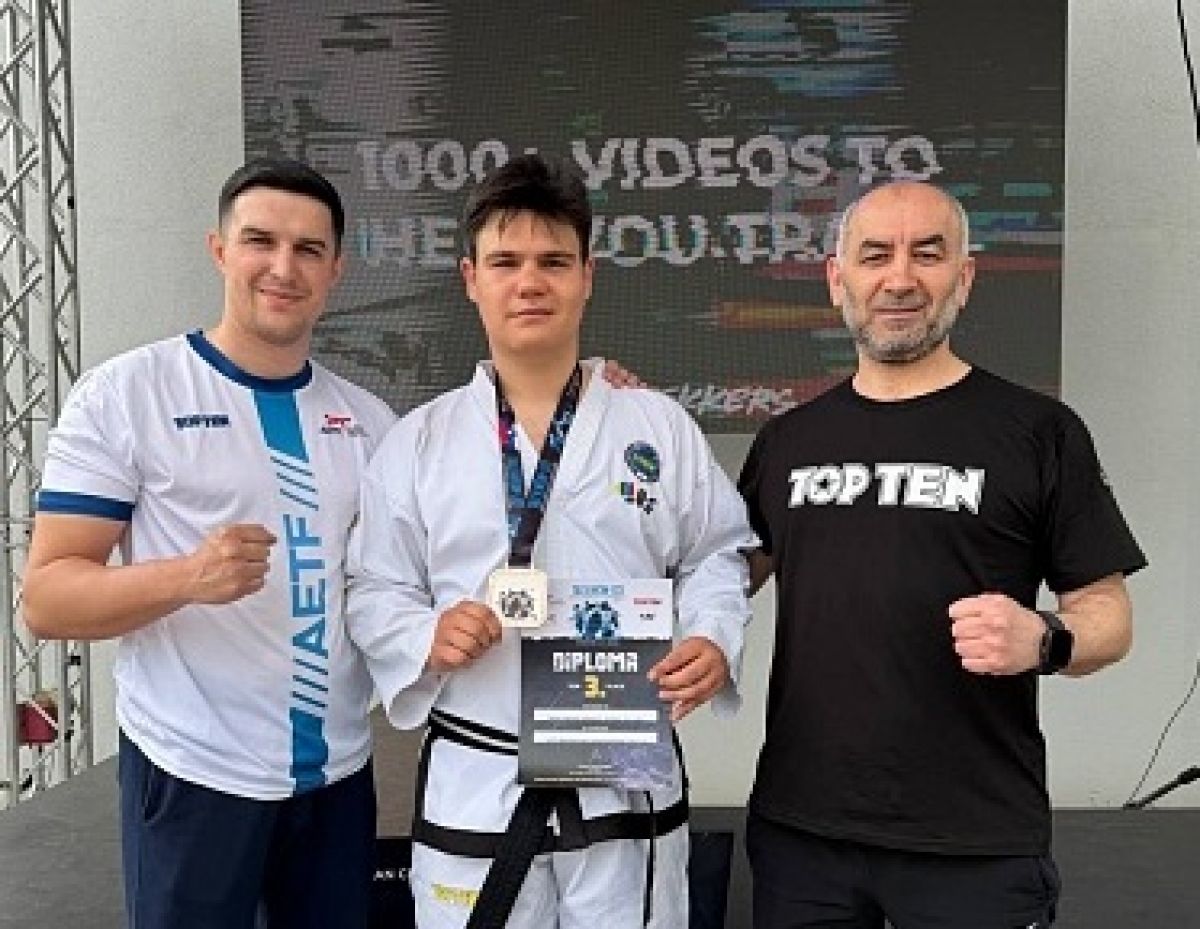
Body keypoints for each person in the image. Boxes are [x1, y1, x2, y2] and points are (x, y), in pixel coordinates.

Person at [345, 153, 755, 929]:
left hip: (621, 770)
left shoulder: (656, 426)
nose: (530, 281)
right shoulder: (420, 441)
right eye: (506, 262)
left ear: (587, 275)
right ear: (471, 278)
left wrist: (711, 636)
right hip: (478, 773)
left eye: (553, 261)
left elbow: (715, 553)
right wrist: (425, 633)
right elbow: (374, 586)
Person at [737, 180, 1147, 928]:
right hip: (803, 836)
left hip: (977, 840)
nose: (899, 279)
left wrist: (1044, 637)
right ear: (837, 279)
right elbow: (720, 581)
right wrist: (620, 420)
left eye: (927, 254)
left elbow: (1109, 615)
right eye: (875, 256)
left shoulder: (1039, 431)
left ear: (964, 277)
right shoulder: (787, 441)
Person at [22, 158, 397, 929]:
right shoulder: (128, 394)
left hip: (336, 779)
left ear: (336, 270)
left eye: (308, 249)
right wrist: (188, 576)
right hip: (194, 772)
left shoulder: (369, 420)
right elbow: (48, 598)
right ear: (220, 250)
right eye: (260, 241)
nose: (283, 267)